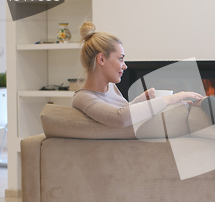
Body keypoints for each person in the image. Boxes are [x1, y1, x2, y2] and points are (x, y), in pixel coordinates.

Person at [72, 22, 203, 127]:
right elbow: (121, 118)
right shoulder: (83, 98)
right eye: (120, 58)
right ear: (101, 59)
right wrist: (170, 98)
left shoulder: (110, 87)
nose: (125, 65)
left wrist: (141, 100)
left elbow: (124, 111)